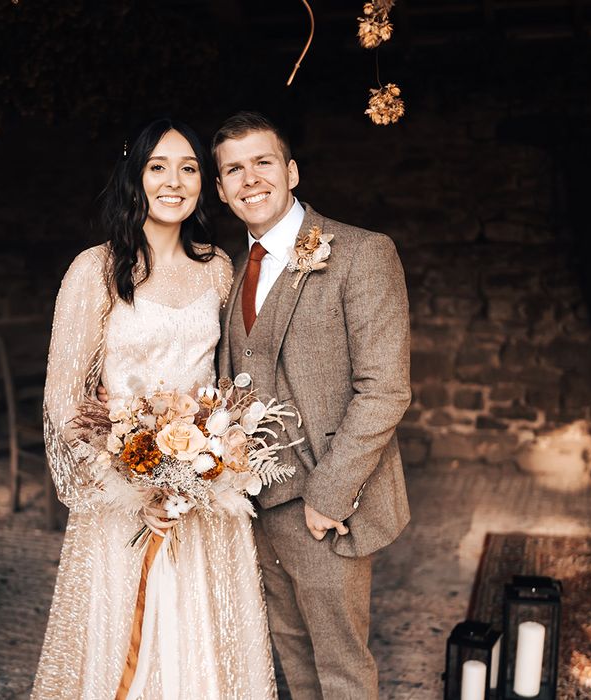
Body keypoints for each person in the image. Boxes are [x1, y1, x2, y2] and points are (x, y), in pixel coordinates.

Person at [32, 118, 277, 699]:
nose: (174, 181)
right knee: (127, 639)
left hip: (204, 492)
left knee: (204, 638)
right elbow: (64, 401)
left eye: (189, 168)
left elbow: (228, 377)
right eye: (158, 167)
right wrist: (128, 488)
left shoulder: (219, 267)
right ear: (135, 177)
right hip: (123, 497)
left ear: (203, 184)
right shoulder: (94, 270)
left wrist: (215, 458)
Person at [214, 111, 412, 700]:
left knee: (342, 671)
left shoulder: (362, 253)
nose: (250, 179)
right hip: (256, 503)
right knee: (294, 663)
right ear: (221, 190)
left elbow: (385, 389)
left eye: (263, 162)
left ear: (292, 171)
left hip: (326, 504)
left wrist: (328, 498)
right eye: (233, 170)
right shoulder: (229, 273)